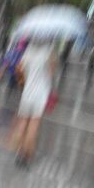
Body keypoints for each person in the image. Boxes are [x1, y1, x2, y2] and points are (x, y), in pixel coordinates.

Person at [14, 38, 55, 168]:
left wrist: (24, 80)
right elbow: (51, 74)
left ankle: (19, 152)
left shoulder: (28, 52)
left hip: (27, 92)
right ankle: (27, 156)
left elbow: (18, 70)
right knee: (33, 126)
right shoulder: (48, 52)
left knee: (22, 124)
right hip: (41, 95)